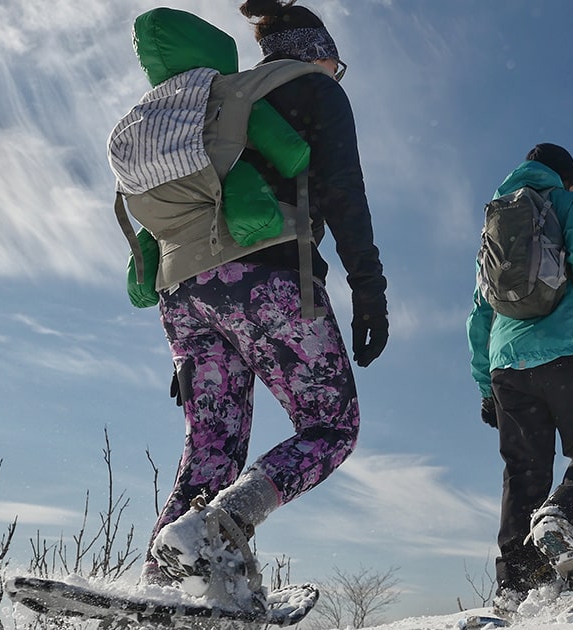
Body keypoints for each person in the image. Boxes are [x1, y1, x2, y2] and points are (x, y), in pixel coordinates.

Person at [139, 0, 388, 607]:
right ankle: (223, 524)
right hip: (270, 277)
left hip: (184, 292)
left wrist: (200, 346)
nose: (339, 73)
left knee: (212, 444)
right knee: (330, 426)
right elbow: (343, 192)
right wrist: (369, 289)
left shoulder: (217, 96)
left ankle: (161, 586)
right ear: (317, 51)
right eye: (339, 63)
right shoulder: (314, 90)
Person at [465, 143, 573, 612]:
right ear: (566, 178)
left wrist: (484, 386)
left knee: (524, 470)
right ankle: (566, 517)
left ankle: (516, 582)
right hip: (571, 349)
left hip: (507, 363)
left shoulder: (494, 221)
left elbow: (478, 313)